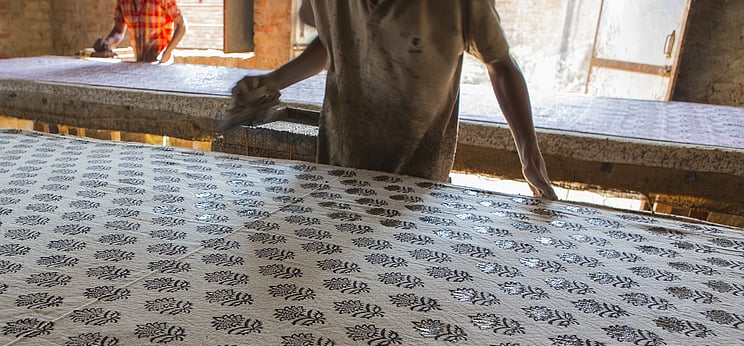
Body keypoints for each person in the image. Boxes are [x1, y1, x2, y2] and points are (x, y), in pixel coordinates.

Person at [231, 0, 557, 199]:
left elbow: (500, 65)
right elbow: (334, 43)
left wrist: (530, 155)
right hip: (338, 170)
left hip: (417, 180)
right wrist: (273, 81)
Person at [95, 0, 187, 64]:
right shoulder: (123, 1)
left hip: (161, 63)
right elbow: (118, 31)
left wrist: (167, 52)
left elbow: (181, 25)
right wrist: (107, 42)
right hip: (139, 63)